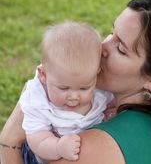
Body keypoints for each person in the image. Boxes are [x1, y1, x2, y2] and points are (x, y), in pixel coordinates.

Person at [1, 0, 151, 163]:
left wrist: (9, 140)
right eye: (112, 33)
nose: (102, 47)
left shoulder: (89, 151)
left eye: (120, 48)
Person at [18, 21, 114, 163]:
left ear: (96, 74)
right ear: (43, 75)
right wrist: (58, 147)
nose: (74, 97)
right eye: (64, 88)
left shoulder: (100, 88)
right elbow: (37, 138)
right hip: (43, 156)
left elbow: (114, 101)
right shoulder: (38, 101)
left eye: (84, 88)